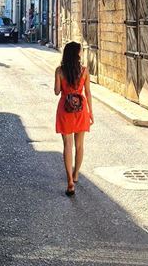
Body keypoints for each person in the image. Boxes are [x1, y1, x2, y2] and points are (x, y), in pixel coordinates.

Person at [54, 41, 93, 197]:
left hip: (65, 109)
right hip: (81, 109)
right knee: (80, 145)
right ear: (77, 54)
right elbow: (88, 93)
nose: (82, 53)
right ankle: (76, 174)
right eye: (80, 51)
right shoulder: (84, 71)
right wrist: (91, 112)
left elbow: (57, 92)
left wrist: (63, 86)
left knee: (67, 145)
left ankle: (69, 181)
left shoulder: (59, 71)